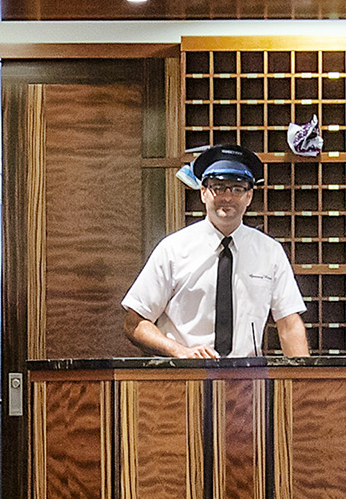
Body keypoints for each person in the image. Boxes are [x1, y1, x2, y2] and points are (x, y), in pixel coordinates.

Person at [123, 141, 312, 361]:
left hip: (247, 383)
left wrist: (303, 384)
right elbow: (134, 322)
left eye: (237, 189)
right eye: (218, 187)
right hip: (182, 382)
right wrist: (180, 352)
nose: (227, 197)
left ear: (249, 196)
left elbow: (289, 325)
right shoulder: (173, 249)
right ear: (203, 192)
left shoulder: (270, 252)